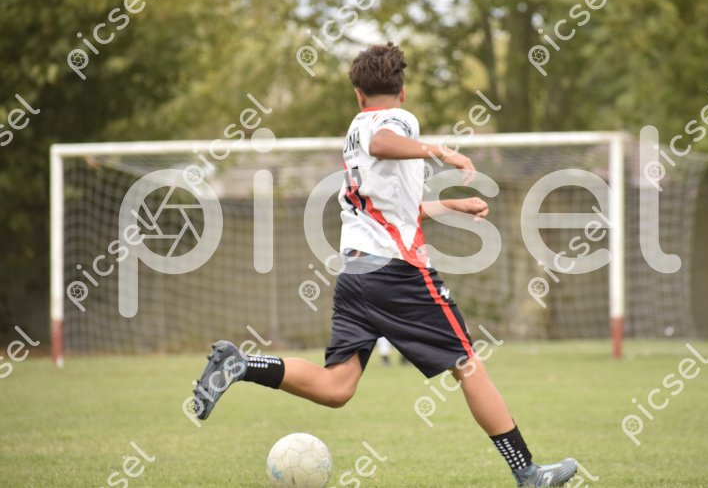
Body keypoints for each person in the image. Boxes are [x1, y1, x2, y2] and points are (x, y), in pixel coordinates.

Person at [191, 42, 577, 487]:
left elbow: (391, 210)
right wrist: (442, 151)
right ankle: (528, 472)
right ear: (403, 91)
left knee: (337, 387)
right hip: (397, 273)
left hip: (355, 273)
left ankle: (240, 365)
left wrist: (452, 204)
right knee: (468, 364)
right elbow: (384, 142)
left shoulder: (354, 129)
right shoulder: (396, 121)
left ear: (358, 94)